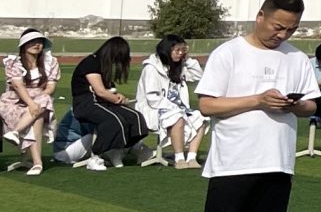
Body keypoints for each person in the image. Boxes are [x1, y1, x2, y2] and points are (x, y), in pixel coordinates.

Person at [169, 0, 321, 212]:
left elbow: (312, 105)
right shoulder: (229, 53)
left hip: (278, 162)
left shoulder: (296, 59)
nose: (281, 35)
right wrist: (258, 100)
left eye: (291, 29)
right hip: (233, 162)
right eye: (278, 26)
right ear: (261, 16)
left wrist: (294, 105)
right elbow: (207, 105)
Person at [63, 36, 147, 169]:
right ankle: (96, 156)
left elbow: (108, 90)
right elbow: (100, 91)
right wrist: (116, 100)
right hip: (86, 103)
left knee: (135, 117)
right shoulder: (91, 63)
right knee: (113, 120)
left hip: (103, 103)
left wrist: (117, 96)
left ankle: (119, 149)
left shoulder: (103, 66)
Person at [137, 34, 200, 168]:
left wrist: (188, 59)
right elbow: (152, 98)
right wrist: (174, 108)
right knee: (177, 117)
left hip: (176, 108)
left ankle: (192, 157)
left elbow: (199, 76)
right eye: (177, 50)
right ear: (167, 50)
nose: (180, 53)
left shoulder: (179, 66)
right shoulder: (151, 68)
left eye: (183, 50)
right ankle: (179, 158)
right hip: (153, 109)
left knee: (200, 117)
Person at [3, 28, 59, 175]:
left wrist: (36, 101)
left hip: (39, 100)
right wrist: (31, 102)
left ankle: (16, 133)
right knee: (37, 111)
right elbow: (18, 86)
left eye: (39, 42)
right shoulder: (14, 62)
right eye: (32, 42)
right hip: (14, 101)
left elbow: (50, 88)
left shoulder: (50, 62)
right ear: (24, 45)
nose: (37, 45)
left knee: (41, 106)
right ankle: (37, 162)